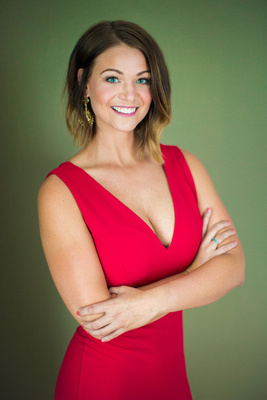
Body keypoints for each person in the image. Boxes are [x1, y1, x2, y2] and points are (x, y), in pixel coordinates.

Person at [38, 20, 245, 400]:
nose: (130, 94)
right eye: (113, 78)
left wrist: (152, 300)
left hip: (171, 381)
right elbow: (100, 319)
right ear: (85, 82)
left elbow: (233, 267)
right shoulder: (60, 190)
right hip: (102, 380)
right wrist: (196, 272)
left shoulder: (186, 165)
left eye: (143, 80)